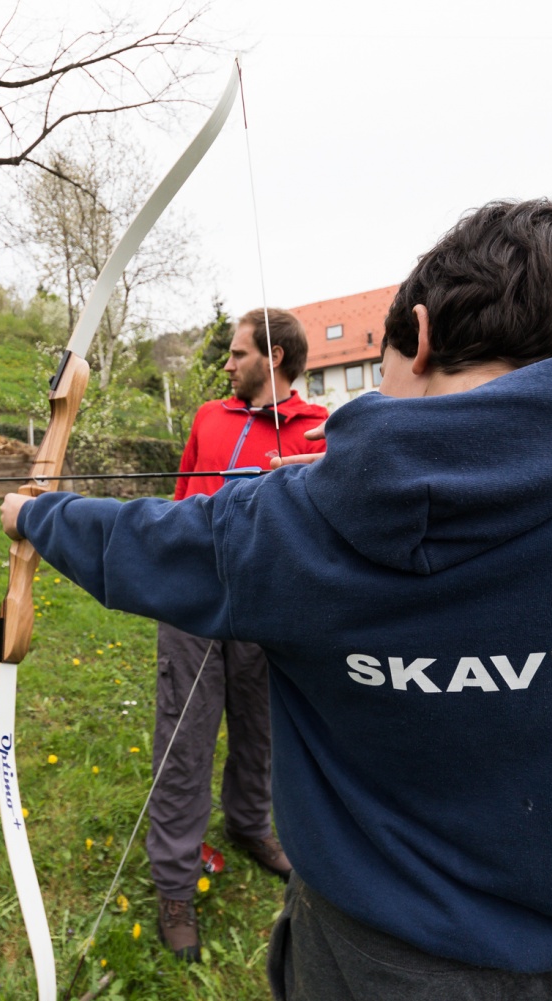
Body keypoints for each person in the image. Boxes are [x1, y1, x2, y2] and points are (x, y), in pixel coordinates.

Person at [1, 199, 552, 1000]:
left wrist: (34, 514)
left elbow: (149, 545)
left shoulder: (295, 524)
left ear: (419, 336)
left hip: (362, 957)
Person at [149, 308, 328, 962]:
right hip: (194, 599)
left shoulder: (319, 430)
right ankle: (175, 883)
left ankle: (251, 826)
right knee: (185, 736)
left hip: (267, 605)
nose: (226, 364)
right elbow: (179, 501)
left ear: (274, 357)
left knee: (261, 730)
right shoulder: (208, 417)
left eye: (237, 353)